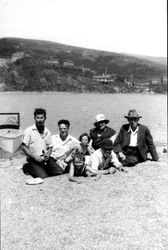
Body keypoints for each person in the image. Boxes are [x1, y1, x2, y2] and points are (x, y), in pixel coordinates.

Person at [22, 108, 59, 183]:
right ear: (34, 118)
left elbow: (50, 147)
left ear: (45, 118)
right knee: (43, 177)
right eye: (37, 118)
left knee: (59, 172)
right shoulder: (29, 131)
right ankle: (27, 166)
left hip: (45, 159)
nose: (39, 120)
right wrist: (34, 156)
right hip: (33, 159)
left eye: (41, 118)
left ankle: (42, 168)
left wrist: (48, 154)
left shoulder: (47, 131)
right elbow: (23, 146)